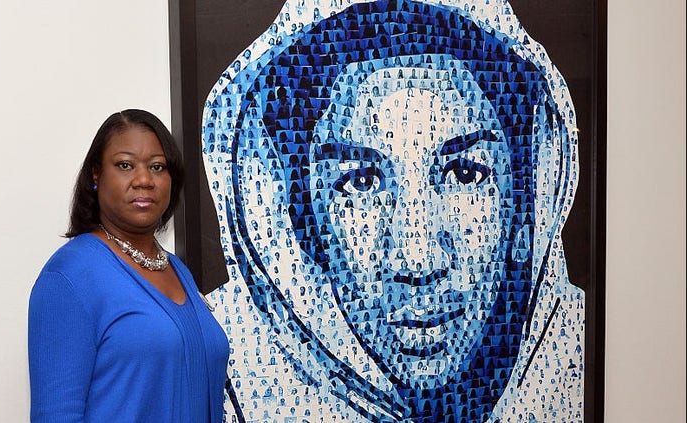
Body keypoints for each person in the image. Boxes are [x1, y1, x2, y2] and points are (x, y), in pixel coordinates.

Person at [203, 0, 583, 422]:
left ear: (527, 207)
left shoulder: (589, 347)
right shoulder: (220, 367)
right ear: (302, 223)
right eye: (361, 182)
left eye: (464, 173)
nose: (417, 260)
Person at [28, 109, 229, 422]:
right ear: (96, 175)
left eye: (157, 167)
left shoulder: (178, 271)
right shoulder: (70, 277)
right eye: (125, 165)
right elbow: (57, 415)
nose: (144, 180)